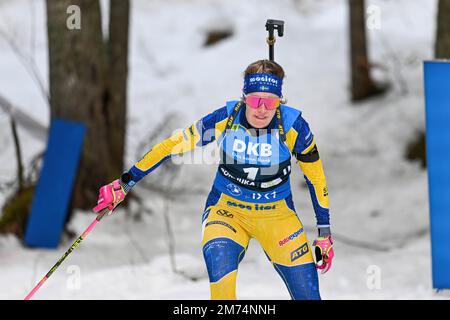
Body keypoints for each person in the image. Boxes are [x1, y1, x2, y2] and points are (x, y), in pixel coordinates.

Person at [93, 59, 334, 300]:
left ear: (280, 101)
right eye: (254, 100)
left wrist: (324, 233)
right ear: (244, 97)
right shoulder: (226, 119)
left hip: (277, 216)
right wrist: (125, 183)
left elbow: (316, 178)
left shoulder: (294, 127)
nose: (262, 109)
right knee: (222, 292)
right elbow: (172, 146)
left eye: (270, 102)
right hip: (227, 212)